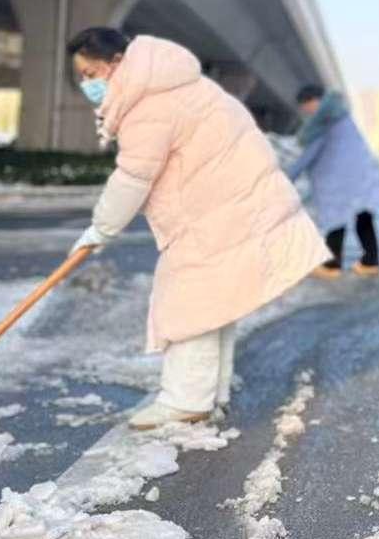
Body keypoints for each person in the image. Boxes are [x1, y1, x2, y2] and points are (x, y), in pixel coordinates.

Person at [67, 27, 328, 429]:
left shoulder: (151, 105)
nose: (88, 85)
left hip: (216, 213)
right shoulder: (178, 86)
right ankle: (207, 396)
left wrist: (101, 229)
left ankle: (186, 402)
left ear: (117, 63)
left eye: (91, 73)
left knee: (188, 304)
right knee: (212, 304)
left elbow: (133, 177)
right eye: (82, 77)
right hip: (228, 206)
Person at [287, 85, 379, 279]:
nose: (306, 111)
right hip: (360, 175)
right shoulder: (341, 115)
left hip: (340, 181)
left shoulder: (324, 120)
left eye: (306, 105)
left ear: (315, 100)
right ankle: (370, 262)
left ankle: (332, 265)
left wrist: (287, 176)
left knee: (336, 219)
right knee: (363, 216)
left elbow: (309, 154)